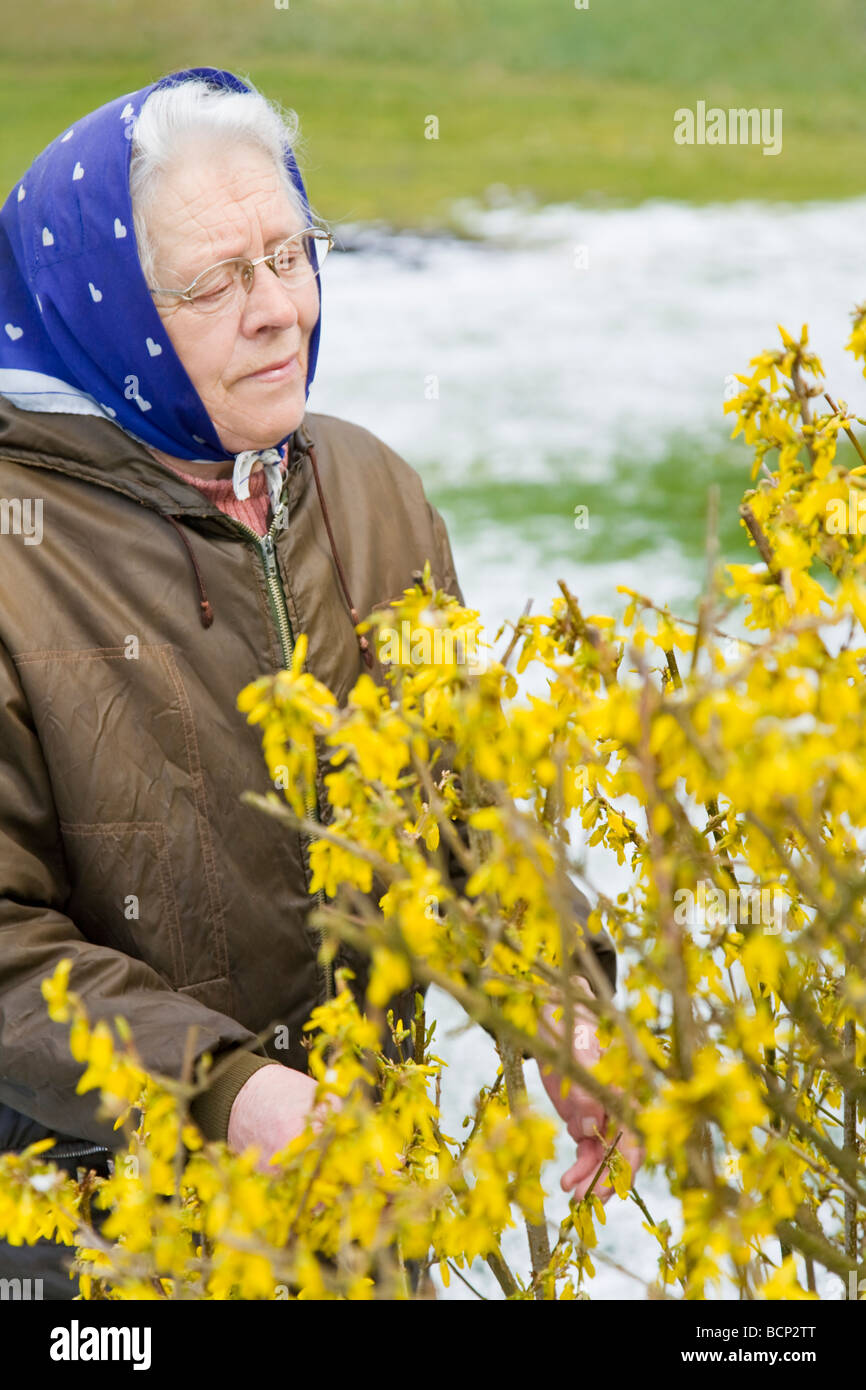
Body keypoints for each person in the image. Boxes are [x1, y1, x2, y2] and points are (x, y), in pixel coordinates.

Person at [0, 65, 642, 1298]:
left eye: (290, 253)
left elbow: (469, 808)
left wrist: (560, 999)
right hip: (97, 1264)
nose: (279, 309)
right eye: (214, 283)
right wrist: (226, 1094)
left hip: (361, 1228)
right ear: (101, 309)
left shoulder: (369, 491)